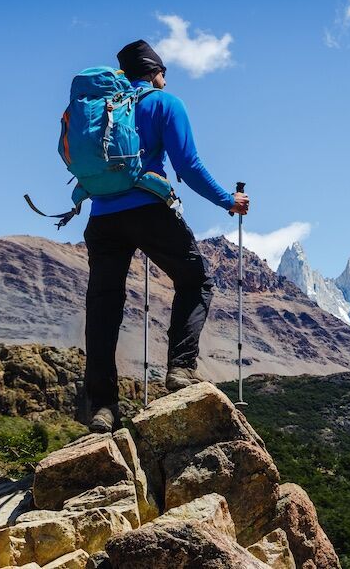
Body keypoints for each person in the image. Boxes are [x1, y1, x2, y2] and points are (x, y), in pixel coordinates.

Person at [83, 39, 249, 433]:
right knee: (195, 281)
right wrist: (228, 200)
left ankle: (103, 408)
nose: (165, 77)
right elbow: (187, 166)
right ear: (155, 72)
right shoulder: (164, 103)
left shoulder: (103, 110)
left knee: (103, 308)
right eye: (163, 70)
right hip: (150, 210)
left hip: (102, 218)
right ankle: (180, 368)